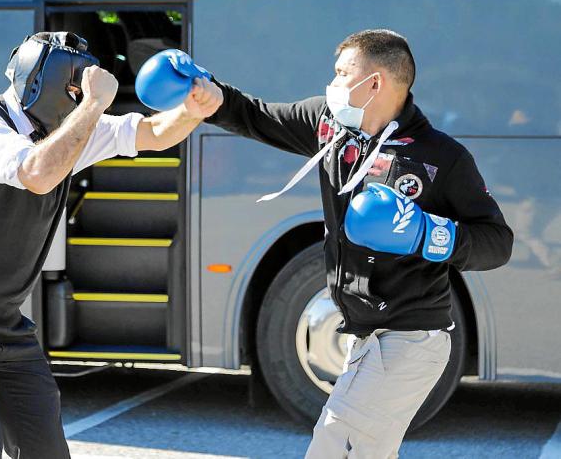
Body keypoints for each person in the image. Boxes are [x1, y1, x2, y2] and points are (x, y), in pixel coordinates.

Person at [0, 32, 223, 459]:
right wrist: (93, 105)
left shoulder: (65, 134)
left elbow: (154, 133)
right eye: (74, 91)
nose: (79, 101)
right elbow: (37, 173)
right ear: (42, 82)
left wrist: (194, 110)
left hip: (4, 324)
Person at [204, 29, 513, 458]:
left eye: (341, 73)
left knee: (334, 446)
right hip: (364, 338)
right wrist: (207, 92)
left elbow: (497, 241)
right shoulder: (329, 125)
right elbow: (255, 114)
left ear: (375, 83)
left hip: (409, 340)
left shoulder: (441, 157)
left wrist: (426, 234)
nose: (332, 83)